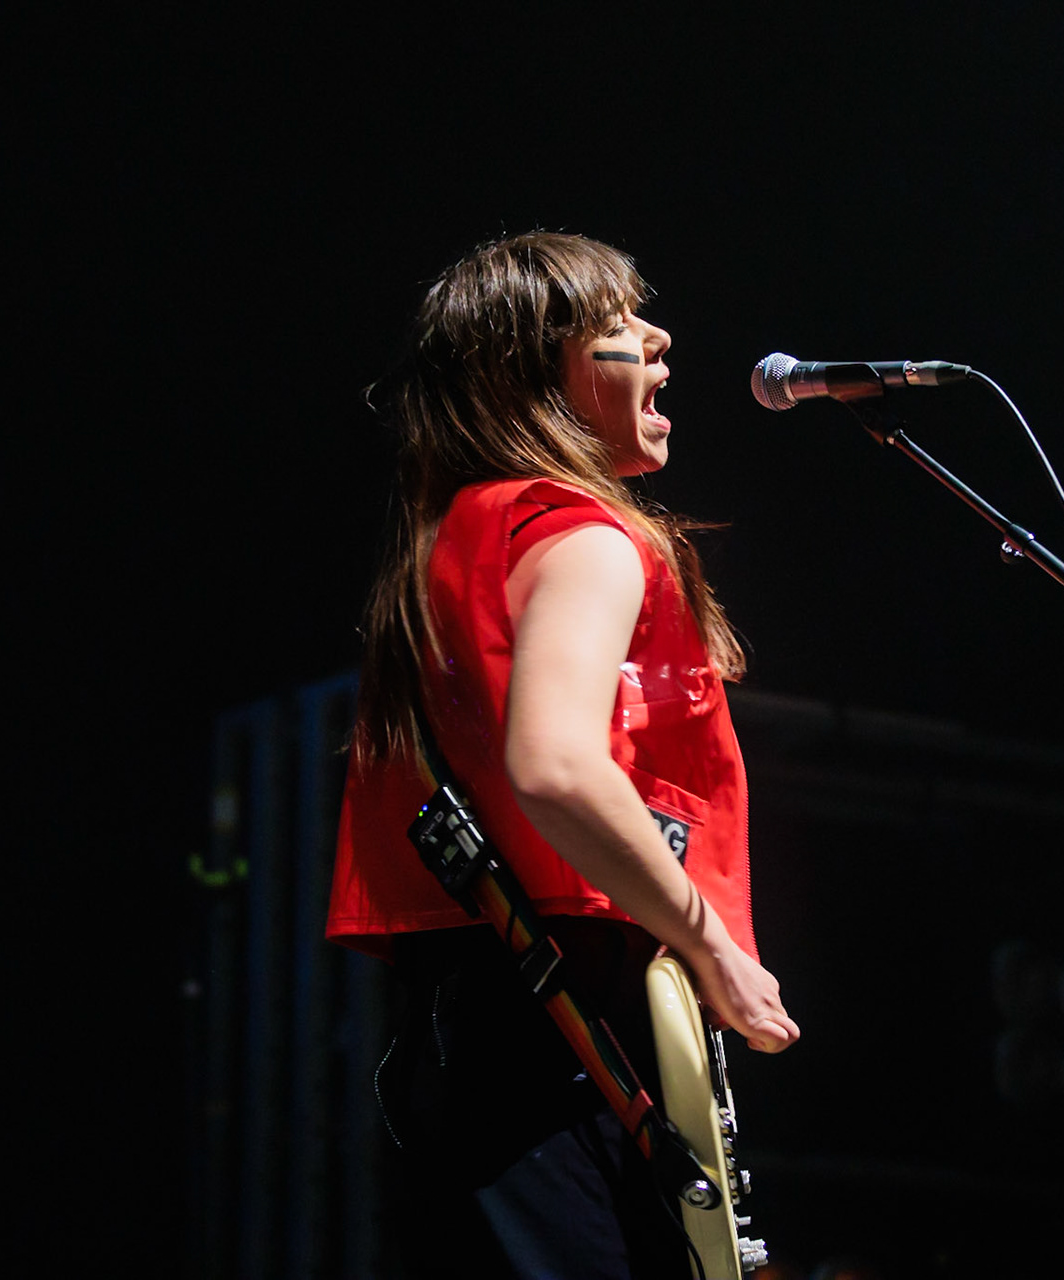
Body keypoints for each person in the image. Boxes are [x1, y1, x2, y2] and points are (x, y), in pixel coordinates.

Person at [327, 231, 798, 1279]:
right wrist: (712, 944)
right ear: (539, 371)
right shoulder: (583, 539)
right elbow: (555, 764)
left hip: (476, 1003)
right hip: (567, 1013)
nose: (659, 338)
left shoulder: (455, 540)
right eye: (620, 324)